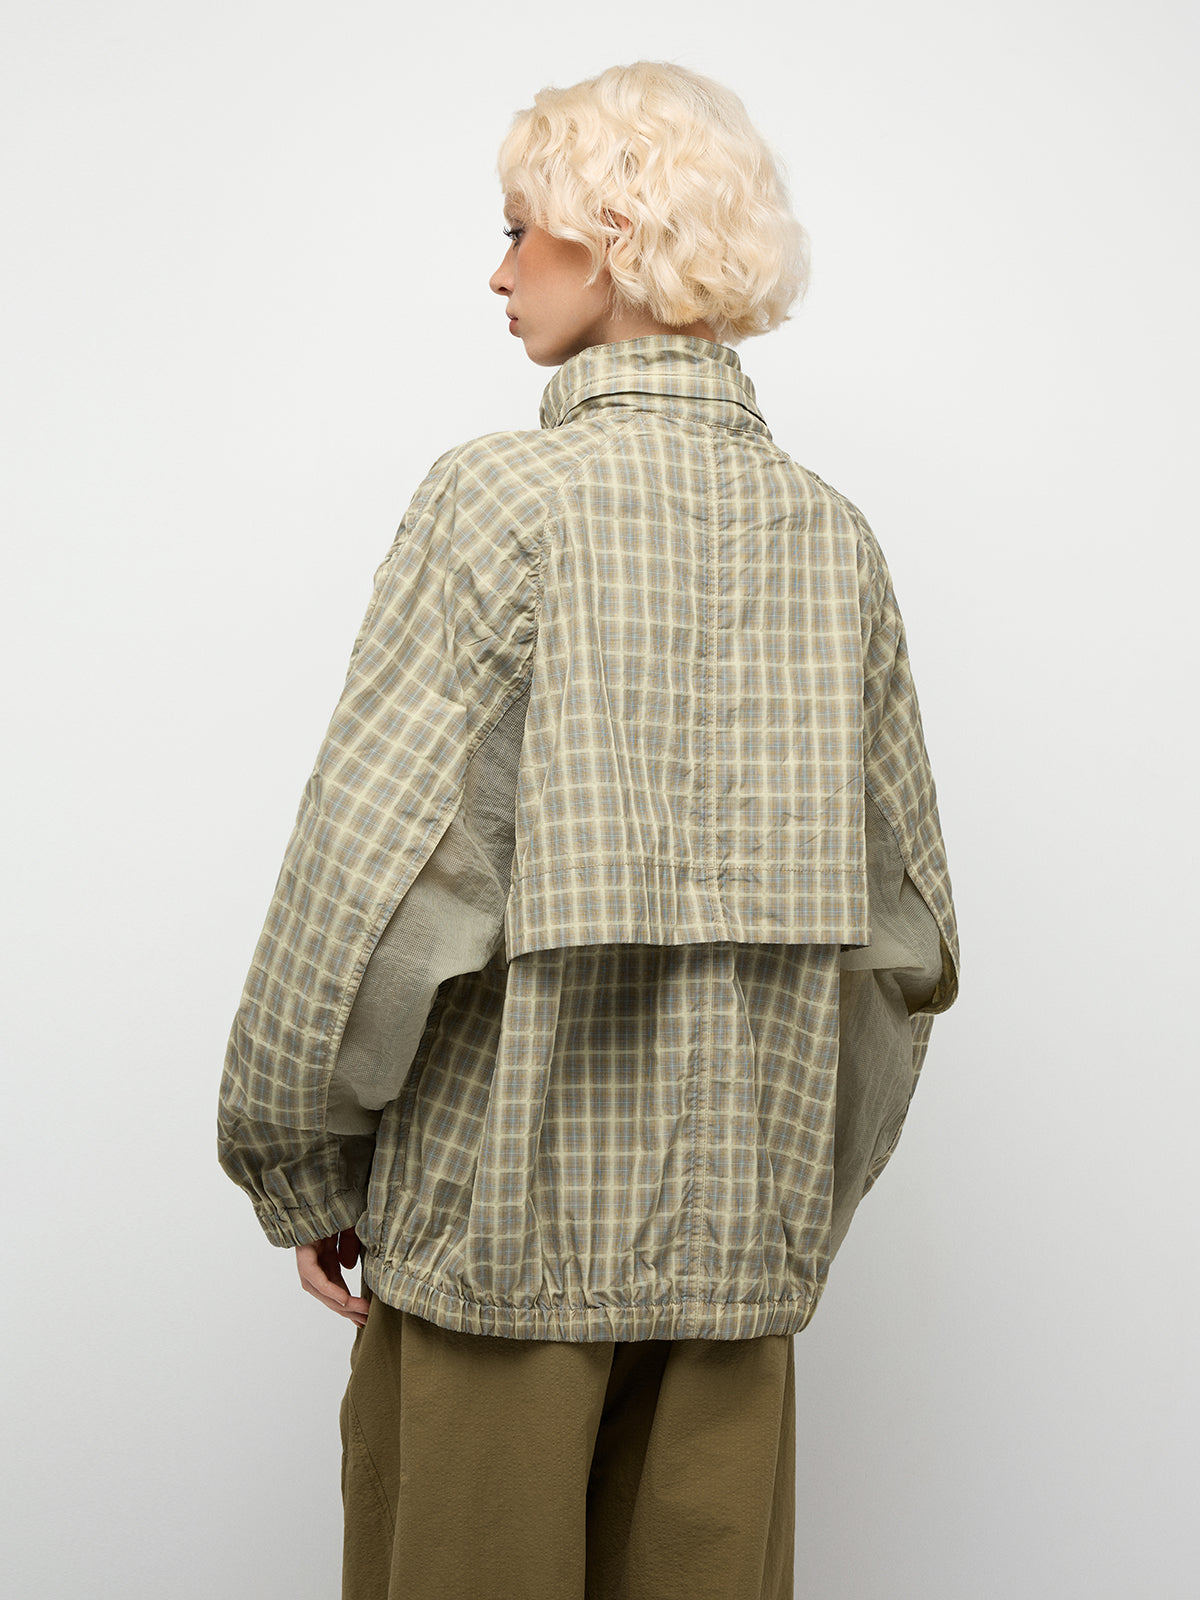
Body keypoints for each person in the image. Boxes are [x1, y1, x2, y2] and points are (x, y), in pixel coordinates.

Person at [217, 59, 959, 1600]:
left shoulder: (498, 502)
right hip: (738, 1264)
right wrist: (789, 1202)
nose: (498, 274)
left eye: (518, 230)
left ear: (612, 238)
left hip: (500, 1247)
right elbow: (906, 943)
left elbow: (371, 868)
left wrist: (296, 1156)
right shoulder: (833, 538)